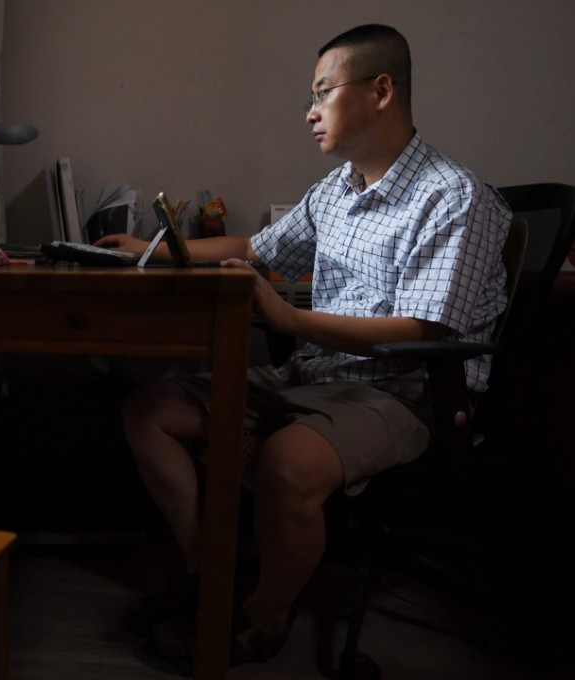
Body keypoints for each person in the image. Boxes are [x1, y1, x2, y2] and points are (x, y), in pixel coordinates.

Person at [93, 23, 511, 672]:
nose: (309, 110)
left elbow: (422, 332)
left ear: (380, 90)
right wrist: (145, 253)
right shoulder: (337, 190)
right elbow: (257, 249)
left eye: (323, 91)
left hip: (407, 392)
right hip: (318, 375)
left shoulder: (453, 196)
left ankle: (262, 619)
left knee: (285, 464)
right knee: (151, 411)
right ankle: (217, 585)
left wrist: (287, 315)